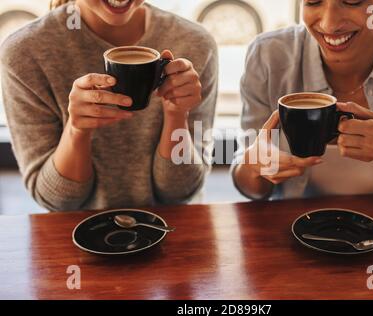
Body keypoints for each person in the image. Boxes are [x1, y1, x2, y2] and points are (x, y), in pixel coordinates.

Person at [0, 0, 218, 211]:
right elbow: (56, 201)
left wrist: (177, 114)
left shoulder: (194, 43)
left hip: (172, 230)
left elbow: (180, 191)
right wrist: (77, 130)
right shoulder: (25, 54)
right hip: (75, 234)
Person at [232, 0, 373, 210]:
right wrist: (255, 168)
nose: (329, 24)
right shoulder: (268, 54)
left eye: (352, 2)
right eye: (314, 2)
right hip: (294, 233)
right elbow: (249, 188)